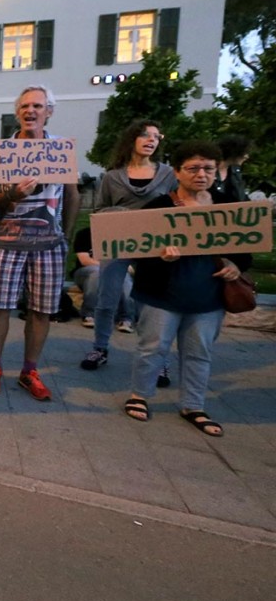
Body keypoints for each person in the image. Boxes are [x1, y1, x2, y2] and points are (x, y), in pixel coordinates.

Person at [124, 141, 249, 437]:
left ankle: (193, 404)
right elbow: (137, 250)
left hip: (208, 297)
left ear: (216, 173)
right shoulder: (158, 207)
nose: (201, 174)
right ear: (178, 173)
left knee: (199, 352)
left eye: (208, 168)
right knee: (152, 348)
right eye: (192, 168)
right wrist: (161, 256)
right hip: (162, 295)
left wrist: (236, 266)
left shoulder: (228, 207)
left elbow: (246, 247)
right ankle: (140, 395)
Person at [0, 85, 80, 401]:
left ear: (49, 111)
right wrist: (10, 195)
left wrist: (67, 235)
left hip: (49, 245)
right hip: (6, 242)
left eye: (37, 106)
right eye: (24, 106)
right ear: (17, 112)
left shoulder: (61, 150)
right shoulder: (2, 151)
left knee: (41, 311)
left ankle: (29, 371)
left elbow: (73, 195)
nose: (30, 111)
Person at [81, 120, 175, 371]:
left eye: (156, 136)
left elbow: (178, 208)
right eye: (145, 135)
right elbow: (99, 211)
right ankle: (99, 348)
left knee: (151, 305)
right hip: (118, 245)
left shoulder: (168, 174)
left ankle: (157, 358)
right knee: (106, 298)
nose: (151, 140)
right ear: (131, 139)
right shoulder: (112, 177)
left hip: (154, 248)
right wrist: (123, 213)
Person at [71, 226, 134, 330]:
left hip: (115, 272)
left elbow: (130, 267)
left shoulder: (122, 236)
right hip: (87, 272)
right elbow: (85, 260)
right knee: (97, 273)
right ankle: (90, 314)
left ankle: (127, 318)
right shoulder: (85, 234)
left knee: (125, 278)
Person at [210, 134, 251, 204]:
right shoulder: (209, 170)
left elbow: (241, 197)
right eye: (244, 153)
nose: (246, 157)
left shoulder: (234, 171)